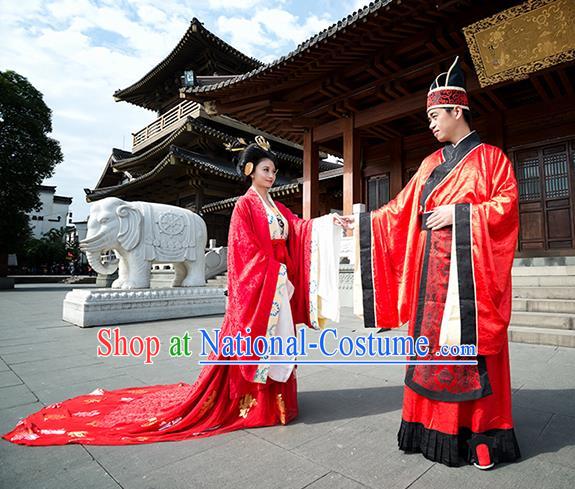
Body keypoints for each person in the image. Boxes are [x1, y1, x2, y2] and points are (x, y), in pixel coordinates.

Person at [2, 136, 344, 446]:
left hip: (279, 285)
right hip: (265, 285)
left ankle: (278, 404)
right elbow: (244, 252)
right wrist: (273, 270)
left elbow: (299, 228)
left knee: (281, 342)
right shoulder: (246, 205)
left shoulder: (275, 207)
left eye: (274, 171)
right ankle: (254, 405)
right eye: (266, 170)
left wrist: (331, 222)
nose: (271, 176)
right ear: (251, 170)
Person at [344, 57, 521, 469]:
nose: (430, 124)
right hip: (431, 285)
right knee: (431, 356)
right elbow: (400, 209)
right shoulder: (429, 164)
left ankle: (483, 436)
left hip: (470, 284)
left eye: (435, 115)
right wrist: (358, 221)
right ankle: (426, 425)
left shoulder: (492, 159)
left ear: (457, 110)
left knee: (471, 356)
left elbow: (507, 207)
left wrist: (460, 213)